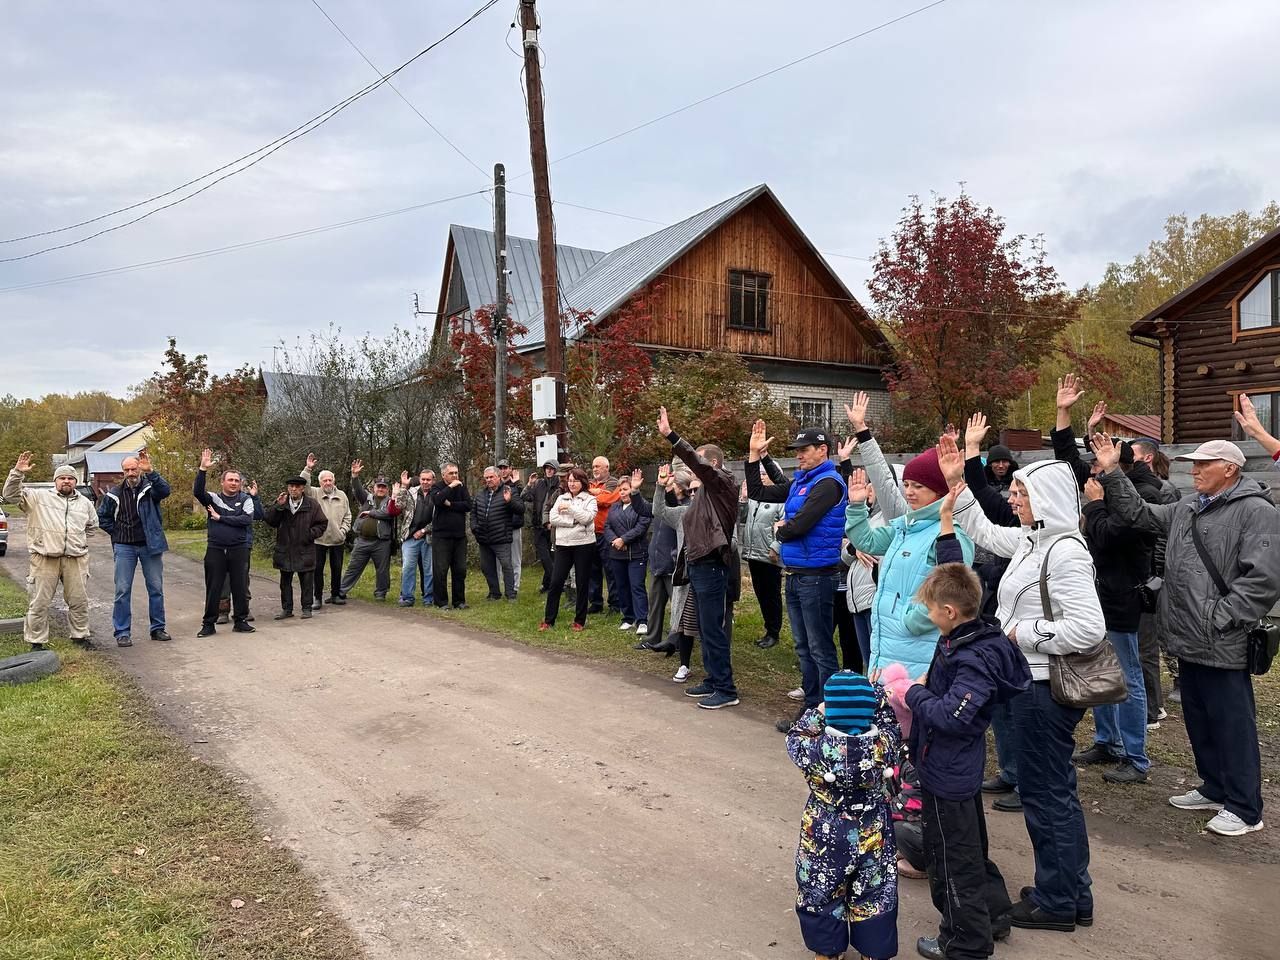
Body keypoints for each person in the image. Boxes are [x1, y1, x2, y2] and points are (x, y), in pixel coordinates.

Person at [940, 436, 1104, 934]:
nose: (1013, 499)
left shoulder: (1066, 552)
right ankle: (1072, 893)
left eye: (1021, 492)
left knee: (1045, 793)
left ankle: (1056, 900)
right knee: (1052, 790)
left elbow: (1088, 628)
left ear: (1048, 498)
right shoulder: (1035, 541)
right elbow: (986, 533)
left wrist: (1018, 634)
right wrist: (957, 482)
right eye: (1013, 490)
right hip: (1027, 684)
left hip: (1042, 690)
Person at [1095, 411, 1280, 838]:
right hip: (1187, 639)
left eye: (1202, 464)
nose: (1193, 471)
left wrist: (1221, 617)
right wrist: (1111, 473)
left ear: (1230, 469)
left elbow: (1264, 578)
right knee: (1199, 720)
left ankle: (1245, 808)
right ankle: (1214, 788)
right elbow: (1138, 515)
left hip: (1222, 639)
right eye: (1191, 464)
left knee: (1232, 724)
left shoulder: (1256, 512)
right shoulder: (1188, 507)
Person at [897, 558, 1030, 960]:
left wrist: (913, 693)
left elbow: (952, 716)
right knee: (970, 848)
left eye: (931, 608)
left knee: (951, 859)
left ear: (949, 612)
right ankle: (991, 914)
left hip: (948, 771)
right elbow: (953, 565)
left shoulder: (972, 658)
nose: (928, 613)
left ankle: (965, 941)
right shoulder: (968, 633)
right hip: (955, 766)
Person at [1052, 376, 1154, 785]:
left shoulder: (1136, 499)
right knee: (1096, 667)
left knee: (1127, 674)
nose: (1090, 470)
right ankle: (1107, 740)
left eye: (1100, 462)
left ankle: (1136, 755)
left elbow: (1114, 534)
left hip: (1122, 597)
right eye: (1092, 462)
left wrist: (1093, 507)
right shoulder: (1094, 483)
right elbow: (1064, 458)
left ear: (1121, 466)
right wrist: (1063, 413)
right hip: (1093, 596)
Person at [843, 395, 976, 681]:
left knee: (911, 721)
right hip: (887, 648)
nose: (909, 492)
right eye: (906, 485)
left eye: (918, 486)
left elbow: (956, 590)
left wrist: (913, 621)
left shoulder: (949, 533)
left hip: (919, 654)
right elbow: (865, 541)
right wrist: (856, 507)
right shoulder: (905, 527)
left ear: (939, 491)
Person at [786, 671, 900, 960]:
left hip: (825, 832)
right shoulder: (883, 747)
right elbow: (890, 723)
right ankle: (874, 951)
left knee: (820, 887)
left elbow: (795, 735)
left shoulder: (814, 749)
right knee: (875, 890)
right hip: (873, 831)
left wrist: (818, 711)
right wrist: (876, 692)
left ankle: (827, 950)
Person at [746, 420, 848, 730]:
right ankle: (811, 710)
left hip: (817, 577)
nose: (799, 455)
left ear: (822, 450)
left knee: (820, 648)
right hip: (796, 574)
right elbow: (759, 490)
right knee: (804, 646)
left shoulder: (828, 483)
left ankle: (832, 715)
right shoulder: (803, 481)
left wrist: (783, 529)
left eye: (804, 450)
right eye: (797, 451)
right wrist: (755, 456)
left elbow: (800, 525)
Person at [658, 406, 741, 710]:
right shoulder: (703, 493)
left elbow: (696, 461)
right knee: (705, 628)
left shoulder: (723, 484)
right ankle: (712, 678)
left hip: (712, 566)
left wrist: (672, 436)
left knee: (713, 628)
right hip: (698, 566)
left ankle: (726, 688)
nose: (692, 472)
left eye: (697, 466)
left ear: (712, 464)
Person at [4, 455, 98, 650]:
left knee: (79, 600)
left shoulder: (85, 503)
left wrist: (75, 541)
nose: (66, 481)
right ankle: (36, 641)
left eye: (70, 478)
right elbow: (10, 495)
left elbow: (92, 527)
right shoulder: (38, 498)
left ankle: (80, 636)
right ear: (55, 481)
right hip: (44, 558)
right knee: (39, 602)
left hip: (76, 559)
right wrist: (18, 472)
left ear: (76, 482)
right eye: (62, 478)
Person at [1130, 436, 1181, 724]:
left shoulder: (1164, 490)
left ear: (1147, 458)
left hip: (1157, 575)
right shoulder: (1146, 487)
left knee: (1152, 642)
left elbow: (1164, 534)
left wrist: (1157, 572)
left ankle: (1157, 703)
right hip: (1149, 574)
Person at [97, 448, 171, 646]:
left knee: (156, 588)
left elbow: (165, 490)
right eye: (127, 470)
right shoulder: (114, 494)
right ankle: (122, 632)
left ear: (139, 469)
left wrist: (151, 471)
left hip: (150, 546)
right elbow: (102, 517)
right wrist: (117, 533)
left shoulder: (150, 489)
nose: (131, 473)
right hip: (124, 548)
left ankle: (158, 629)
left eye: (134, 469)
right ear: (123, 472)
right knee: (122, 590)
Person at [193, 449, 263, 637]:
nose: (233, 483)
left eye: (237, 480)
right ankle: (208, 624)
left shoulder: (246, 499)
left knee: (240, 586)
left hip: (239, 548)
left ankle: (240, 621)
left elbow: (246, 520)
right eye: (230, 480)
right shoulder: (214, 498)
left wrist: (220, 517)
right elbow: (198, 491)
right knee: (214, 586)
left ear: (240, 484)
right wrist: (202, 469)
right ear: (222, 482)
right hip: (216, 548)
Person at [541, 467, 598, 630]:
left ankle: (579, 621)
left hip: (584, 545)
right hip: (563, 545)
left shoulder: (590, 499)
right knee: (556, 582)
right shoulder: (561, 498)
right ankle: (548, 620)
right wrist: (572, 522)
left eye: (576, 480)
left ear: (583, 482)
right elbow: (553, 518)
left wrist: (570, 509)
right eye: (570, 480)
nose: (572, 484)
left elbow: (587, 518)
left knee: (581, 582)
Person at [264, 477, 329, 619]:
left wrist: (309, 535)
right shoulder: (282, 503)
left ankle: (307, 608)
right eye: (291, 486)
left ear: (302, 489)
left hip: (304, 549)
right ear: (288, 488)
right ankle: (287, 609)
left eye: (296, 487)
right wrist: (278, 507)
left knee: (306, 581)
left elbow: (322, 523)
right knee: (285, 582)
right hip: (285, 549)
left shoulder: (312, 505)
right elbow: (270, 520)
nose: (293, 489)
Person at [739, 462, 785, 649]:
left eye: (766, 473)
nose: (763, 476)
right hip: (753, 553)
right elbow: (742, 519)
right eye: (760, 474)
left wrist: (776, 547)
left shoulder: (781, 499)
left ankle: (774, 632)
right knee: (760, 593)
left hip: (770, 555)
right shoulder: (754, 497)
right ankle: (768, 628)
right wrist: (743, 500)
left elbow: (786, 524)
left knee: (771, 594)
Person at [338, 463, 400, 601]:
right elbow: (358, 489)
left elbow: (389, 513)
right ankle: (341, 591)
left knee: (382, 570)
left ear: (388, 490)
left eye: (384, 487)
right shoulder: (366, 498)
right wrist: (355, 476)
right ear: (374, 488)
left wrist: (371, 513)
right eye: (379, 486)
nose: (381, 489)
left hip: (382, 542)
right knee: (353, 567)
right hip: (362, 540)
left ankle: (380, 593)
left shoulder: (391, 502)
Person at [299, 456, 352, 608]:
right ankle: (317, 598)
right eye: (325, 480)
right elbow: (304, 484)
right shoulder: (314, 493)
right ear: (320, 482)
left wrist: (343, 531)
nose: (328, 483)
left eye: (330, 480)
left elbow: (348, 515)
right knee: (317, 570)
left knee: (337, 568)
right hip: (319, 539)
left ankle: (335, 595)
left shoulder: (342, 495)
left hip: (337, 539)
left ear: (333, 481)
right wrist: (308, 469)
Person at [638, 462, 679, 650]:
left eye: (674, 481)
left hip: (673, 565)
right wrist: (635, 492)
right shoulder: (659, 506)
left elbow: (672, 503)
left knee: (678, 606)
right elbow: (644, 508)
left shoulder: (683, 506)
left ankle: (677, 640)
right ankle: (652, 638)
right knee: (655, 604)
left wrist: (666, 488)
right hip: (657, 562)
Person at [604, 471, 652, 633]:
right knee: (622, 586)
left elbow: (642, 527)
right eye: (621, 489)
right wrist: (615, 541)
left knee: (636, 586)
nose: (623, 492)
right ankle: (628, 617)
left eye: (626, 489)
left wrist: (624, 539)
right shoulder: (614, 507)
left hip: (636, 553)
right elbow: (607, 526)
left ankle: (642, 620)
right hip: (617, 554)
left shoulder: (642, 506)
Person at [473, 466, 523, 601]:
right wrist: (475, 528)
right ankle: (494, 593)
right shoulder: (480, 494)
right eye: (486, 478)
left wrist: (509, 501)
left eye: (491, 477)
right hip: (484, 538)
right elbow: (474, 513)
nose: (489, 480)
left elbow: (520, 509)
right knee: (487, 567)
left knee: (507, 565)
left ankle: (511, 594)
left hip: (501, 537)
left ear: (498, 477)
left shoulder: (509, 490)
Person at [431, 462, 471, 609]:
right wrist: (450, 487)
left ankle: (459, 601)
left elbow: (468, 505)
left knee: (460, 569)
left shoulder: (462, 487)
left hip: (459, 536)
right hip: (441, 537)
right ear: (443, 475)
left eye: (456, 473)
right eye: (451, 473)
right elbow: (437, 500)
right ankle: (441, 602)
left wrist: (451, 505)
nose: (455, 476)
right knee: (441, 570)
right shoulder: (437, 487)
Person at [587, 457, 624, 614]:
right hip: (590, 533)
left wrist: (595, 495)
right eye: (593, 466)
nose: (595, 469)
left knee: (611, 570)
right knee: (592, 570)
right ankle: (595, 603)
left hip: (607, 533)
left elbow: (609, 499)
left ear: (607, 468)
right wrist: (596, 493)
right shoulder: (589, 483)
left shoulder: (614, 482)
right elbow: (584, 499)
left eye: (598, 466)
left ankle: (615, 604)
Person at [395, 468, 435, 607]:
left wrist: (424, 530)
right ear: (420, 479)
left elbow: (439, 518)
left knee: (429, 570)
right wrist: (404, 486)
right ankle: (407, 597)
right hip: (410, 537)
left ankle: (429, 598)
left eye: (428, 479)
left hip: (429, 537)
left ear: (433, 481)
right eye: (423, 479)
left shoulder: (437, 494)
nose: (425, 482)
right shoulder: (411, 492)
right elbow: (398, 505)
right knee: (408, 568)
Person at [523, 461, 561, 593]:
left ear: (556, 470)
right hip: (538, 525)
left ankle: (547, 585)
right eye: (547, 469)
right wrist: (529, 484)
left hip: (553, 526)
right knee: (544, 556)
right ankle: (555, 582)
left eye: (551, 469)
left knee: (552, 556)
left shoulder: (560, 486)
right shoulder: (539, 483)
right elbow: (525, 497)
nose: (549, 471)